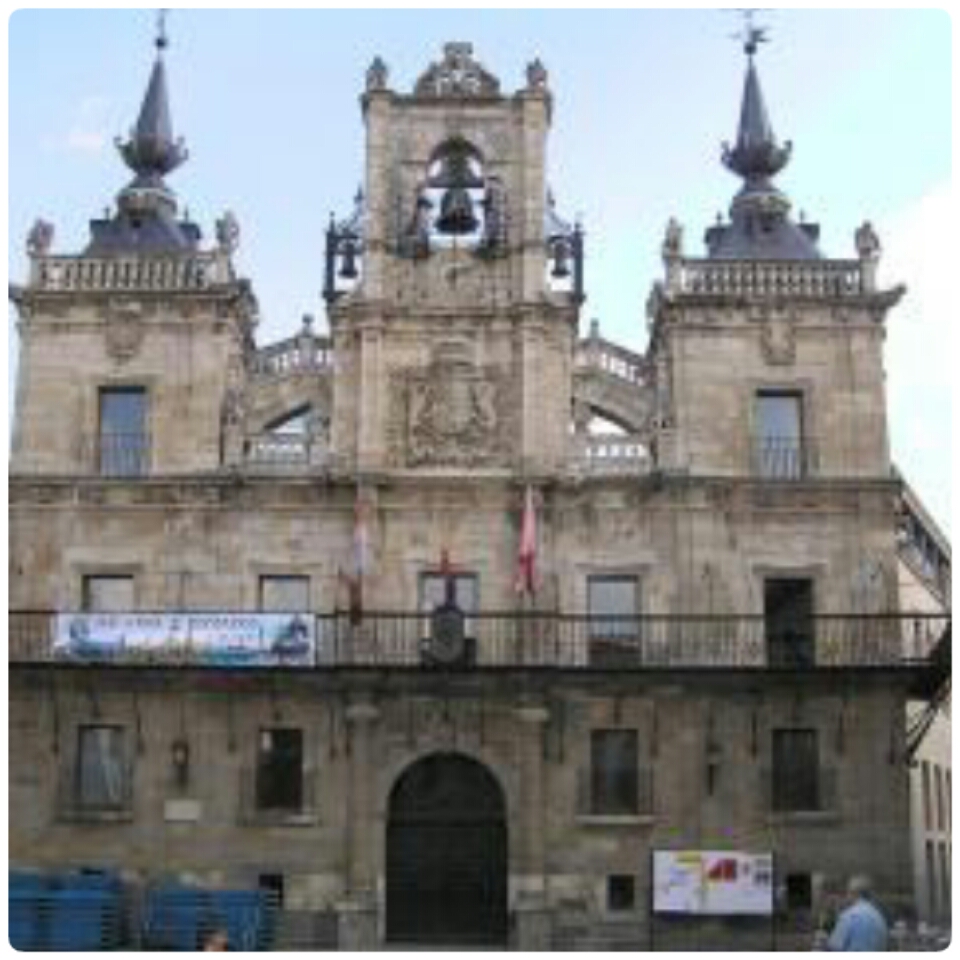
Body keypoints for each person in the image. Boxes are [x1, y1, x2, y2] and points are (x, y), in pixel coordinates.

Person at [827, 875, 888, 951]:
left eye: (847, 893)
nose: (846, 897)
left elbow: (834, 948)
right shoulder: (879, 917)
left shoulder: (849, 916)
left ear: (853, 893)